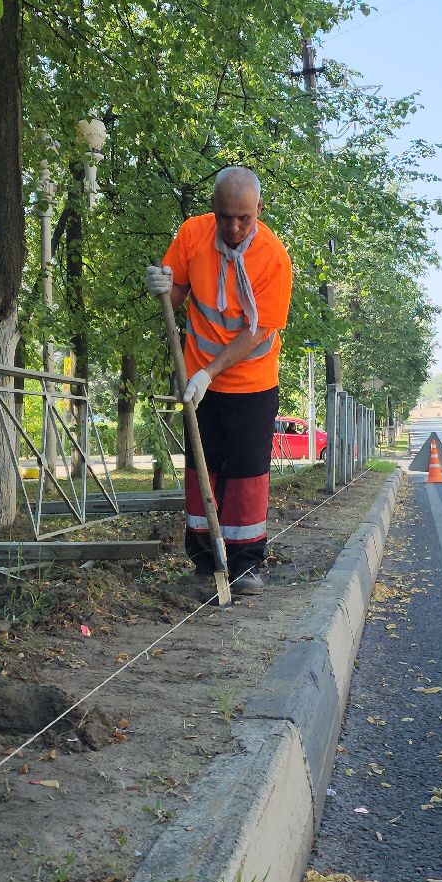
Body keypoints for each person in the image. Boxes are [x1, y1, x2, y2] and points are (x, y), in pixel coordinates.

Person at [145, 167, 293, 596]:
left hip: (251, 383)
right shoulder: (193, 235)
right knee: (202, 472)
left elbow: (255, 332)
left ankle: (245, 566)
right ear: (213, 209)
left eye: (243, 218)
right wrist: (162, 285)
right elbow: (176, 295)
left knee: (247, 475)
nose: (233, 226)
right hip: (199, 380)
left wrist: (211, 372)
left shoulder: (274, 258)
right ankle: (206, 562)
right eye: (225, 216)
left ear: (259, 211)